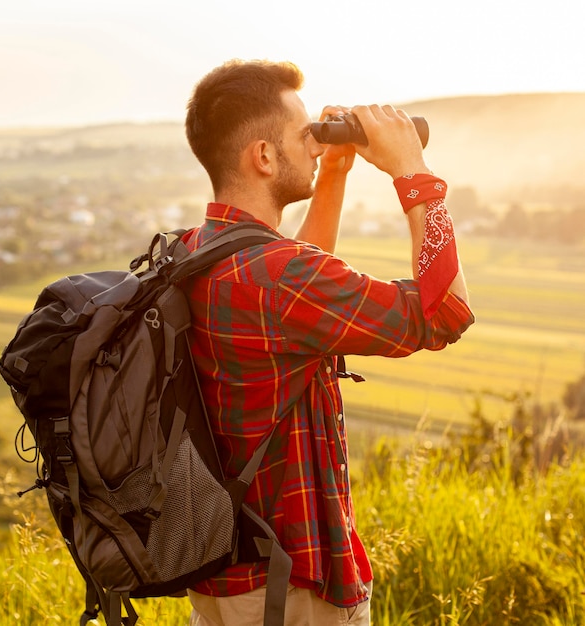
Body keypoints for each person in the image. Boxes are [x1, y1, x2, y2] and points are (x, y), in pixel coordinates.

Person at [181, 59, 474, 626]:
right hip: (290, 589)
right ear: (264, 157)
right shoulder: (278, 276)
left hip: (223, 578)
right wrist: (414, 172)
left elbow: (292, 296)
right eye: (303, 135)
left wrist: (334, 173)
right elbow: (447, 314)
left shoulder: (199, 248)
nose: (315, 146)